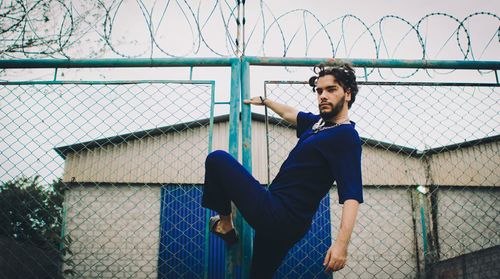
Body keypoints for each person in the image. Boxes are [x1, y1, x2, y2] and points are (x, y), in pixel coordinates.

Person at [201, 63, 363, 278]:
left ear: (348, 94)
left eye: (331, 90)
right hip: (287, 220)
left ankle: (225, 224)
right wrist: (266, 102)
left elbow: (352, 193)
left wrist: (342, 244)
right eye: (319, 91)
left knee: (217, 159)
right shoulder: (318, 125)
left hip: (279, 213)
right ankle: (226, 227)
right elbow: (290, 113)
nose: (323, 96)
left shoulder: (345, 136)